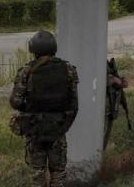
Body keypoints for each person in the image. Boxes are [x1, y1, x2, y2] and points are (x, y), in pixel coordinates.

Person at [9, 31, 79, 187]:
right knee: (58, 173)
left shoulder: (27, 71)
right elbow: (74, 104)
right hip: (58, 128)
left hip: (35, 129)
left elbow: (15, 101)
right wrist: (64, 125)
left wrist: (29, 108)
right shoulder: (68, 69)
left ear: (34, 50)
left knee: (38, 173)